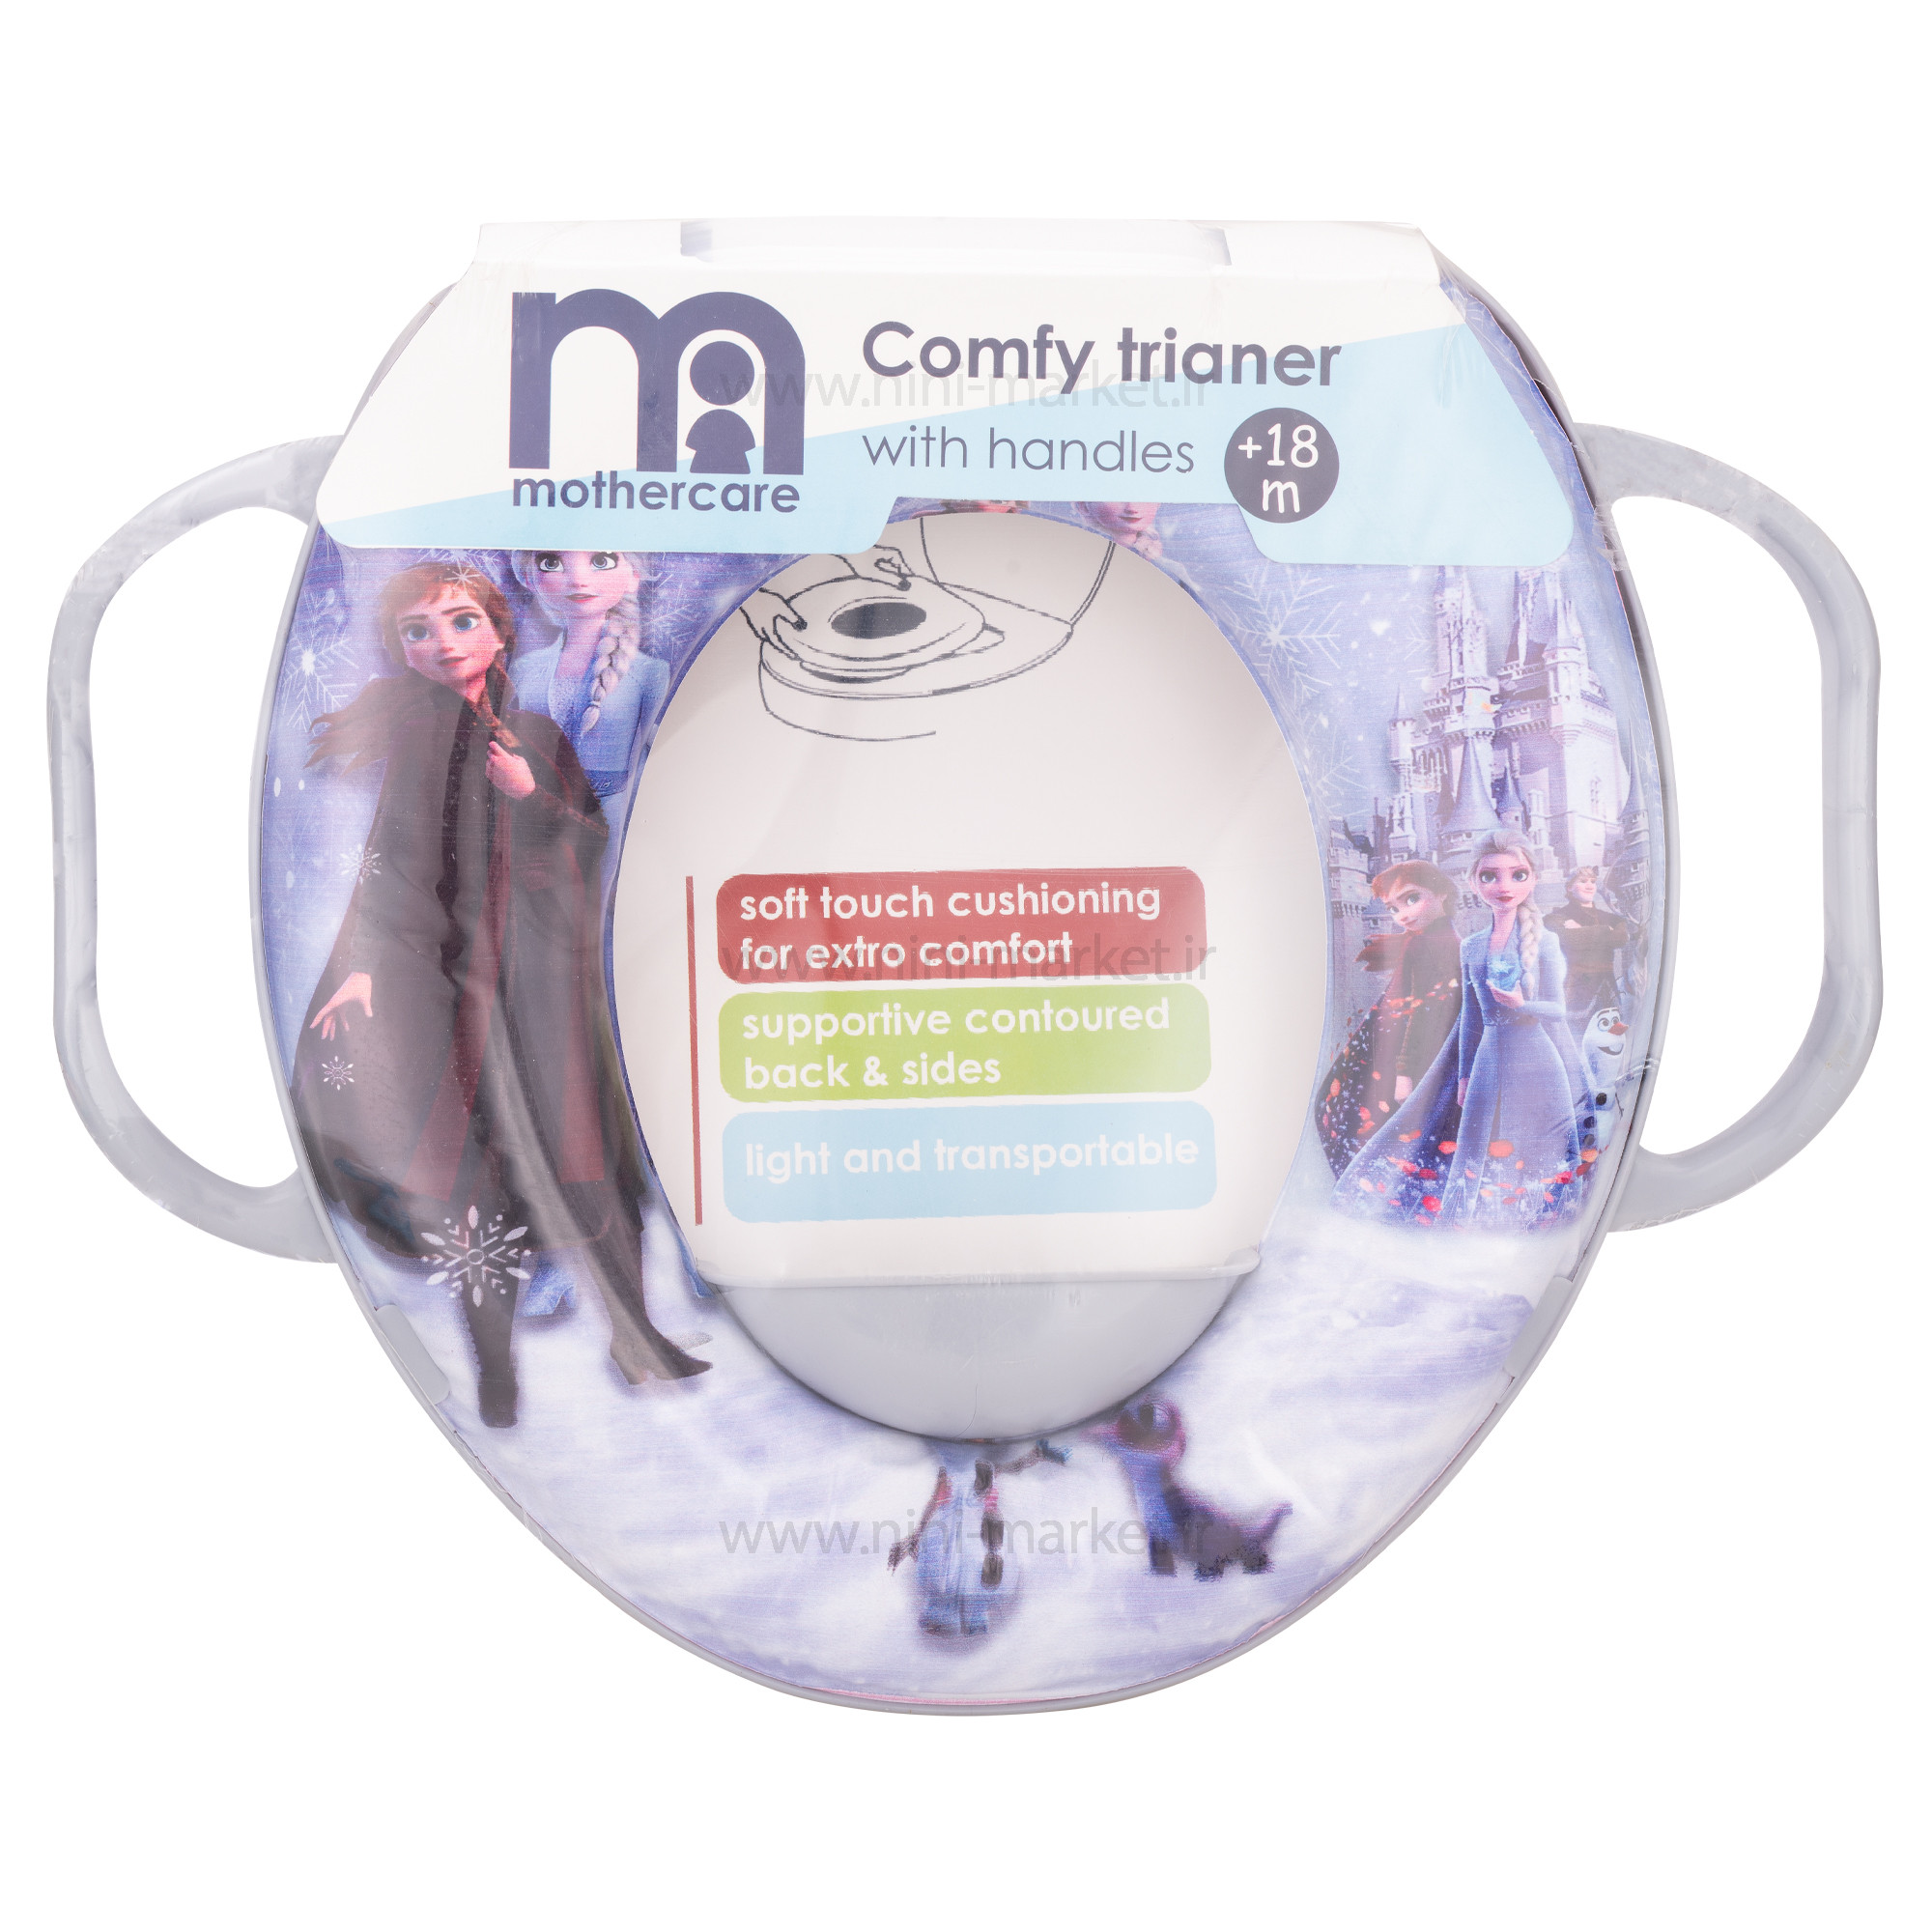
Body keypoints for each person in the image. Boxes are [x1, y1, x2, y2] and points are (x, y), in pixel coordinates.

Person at [290, 562, 707, 1426]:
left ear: (498, 631)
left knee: (589, 1159)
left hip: (547, 981)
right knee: (477, 1174)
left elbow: (590, 844)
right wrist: (363, 963)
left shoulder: (536, 734)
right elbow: (392, 859)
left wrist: (533, 796)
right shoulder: (421, 736)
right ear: (400, 650)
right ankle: (494, 1368)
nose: (443, 644)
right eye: (418, 631)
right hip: (455, 988)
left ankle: (636, 1339)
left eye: (461, 621)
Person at [1338, 833, 1596, 1230]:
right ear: (1474, 883)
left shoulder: (1545, 941)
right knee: (1474, 1146)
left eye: (1517, 875)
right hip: (1488, 1054)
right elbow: (1471, 1017)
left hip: (1536, 1059)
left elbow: (1557, 1010)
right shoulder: (1472, 947)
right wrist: (1462, 1076)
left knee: (1539, 1147)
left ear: (1532, 879)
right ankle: (1469, 1225)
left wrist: (1520, 1005)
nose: (1504, 886)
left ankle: (1543, 1225)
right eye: (1490, 876)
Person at [1316, 861, 1463, 1175]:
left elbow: (1423, 1011)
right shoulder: (1441, 940)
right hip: (1403, 1048)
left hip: (1393, 1054)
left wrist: (1404, 1072)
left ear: (1442, 893)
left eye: (1412, 899)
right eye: (1393, 908)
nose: (1403, 915)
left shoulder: (1425, 944)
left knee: (1341, 1112)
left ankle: (1361, 1184)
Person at [508, 551, 668, 799]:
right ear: (529, 579)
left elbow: (658, 755)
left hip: (613, 807)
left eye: (602, 561)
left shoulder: (649, 673)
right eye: (551, 563)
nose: (578, 580)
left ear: (633, 575)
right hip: (534, 807)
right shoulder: (523, 669)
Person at [1550, 865, 1630, 1026]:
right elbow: (1570, 938)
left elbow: (1621, 938)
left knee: (1613, 1036)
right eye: (1583, 881)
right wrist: (1606, 930)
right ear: (1570, 887)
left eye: (1593, 881)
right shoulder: (1556, 917)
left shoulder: (1611, 918)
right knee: (1578, 1034)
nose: (1589, 885)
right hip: (1577, 992)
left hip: (1609, 990)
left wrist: (1583, 930)